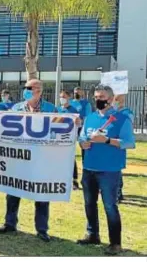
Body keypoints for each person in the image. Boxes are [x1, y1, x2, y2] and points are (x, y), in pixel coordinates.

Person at [77, 85, 135, 255]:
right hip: (89, 168)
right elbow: (82, 137)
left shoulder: (122, 119)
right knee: (89, 203)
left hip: (110, 170)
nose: (97, 100)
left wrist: (108, 140)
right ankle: (92, 234)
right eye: (95, 96)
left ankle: (115, 243)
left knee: (110, 206)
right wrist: (83, 143)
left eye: (101, 96)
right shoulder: (90, 117)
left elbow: (129, 142)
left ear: (110, 99)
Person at [0, 79, 57, 242]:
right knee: (13, 192)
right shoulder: (16, 108)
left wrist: (74, 123)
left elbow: (59, 131)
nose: (26, 90)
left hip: (41, 159)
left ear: (39, 90)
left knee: (41, 194)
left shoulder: (51, 109)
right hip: (19, 157)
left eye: (29, 88)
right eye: (25, 88)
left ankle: (42, 229)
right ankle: (10, 223)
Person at [57, 90, 82, 190]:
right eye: (60, 96)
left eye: (63, 96)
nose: (61, 99)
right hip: (58, 138)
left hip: (69, 139)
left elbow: (79, 124)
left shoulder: (73, 110)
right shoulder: (57, 109)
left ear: (69, 98)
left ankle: (74, 181)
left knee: (71, 159)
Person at [112, 94, 134, 203]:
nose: (114, 102)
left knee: (117, 170)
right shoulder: (110, 111)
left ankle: (118, 193)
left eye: (117, 100)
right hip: (108, 144)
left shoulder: (127, 113)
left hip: (118, 146)